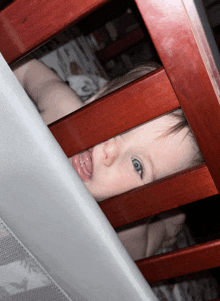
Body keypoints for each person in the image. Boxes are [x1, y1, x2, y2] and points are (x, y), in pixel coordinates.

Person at [12, 58, 220, 300]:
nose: (108, 150)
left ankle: (169, 221)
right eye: (118, 120)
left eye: (136, 165)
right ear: (98, 95)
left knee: (142, 247)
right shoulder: (62, 110)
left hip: (131, 221)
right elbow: (27, 68)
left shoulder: (123, 225)